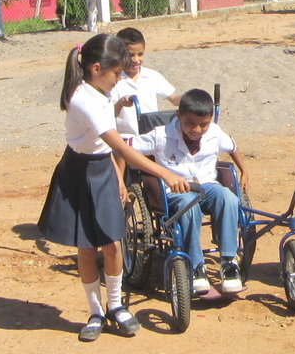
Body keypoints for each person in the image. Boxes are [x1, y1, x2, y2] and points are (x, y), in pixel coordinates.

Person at [37, 34, 189, 342]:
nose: (120, 77)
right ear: (96, 68)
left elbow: (109, 147)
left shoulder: (102, 89)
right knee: (87, 246)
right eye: (116, 73)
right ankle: (95, 311)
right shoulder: (82, 98)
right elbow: (120, 145)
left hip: (103, 169)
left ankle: (116, 305)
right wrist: (163, 172)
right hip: (79, 172)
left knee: (113, 243)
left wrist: (118, 178)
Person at [128, 88, 249, 294]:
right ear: (179, 116)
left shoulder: (215, 133)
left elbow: (232, 146)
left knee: (228, 197)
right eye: (190, 123)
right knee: (188, 205)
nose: (197, 129)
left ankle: (229, 262)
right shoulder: (161, 135)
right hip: (176, 191)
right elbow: (127, 147)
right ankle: (195, 266)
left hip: (207, 186)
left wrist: (244, 170)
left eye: (204, 124)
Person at [111, 27, 181, 138]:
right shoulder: (114, 79)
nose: (136, 59)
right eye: (131, 55)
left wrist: (190, 98)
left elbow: (175, 99)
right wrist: (120, 103)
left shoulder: (152, 76)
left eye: (140, 54)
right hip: (125, 138)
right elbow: (111, 112)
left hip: (151, 137)